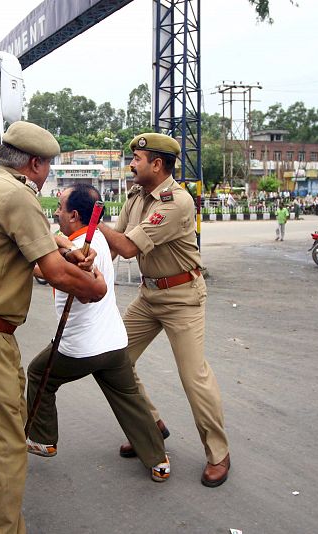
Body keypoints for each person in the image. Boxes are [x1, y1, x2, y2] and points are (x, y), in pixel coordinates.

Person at [0, 121, 106, 533]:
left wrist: (65, 249)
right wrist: (93, 287)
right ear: (35, 164)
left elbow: (41, 241)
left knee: (3, 422)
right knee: (9, 444)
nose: (48, 177)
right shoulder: (17, 195)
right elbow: (55, 274)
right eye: (47, 167)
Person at [98, 133, 231, 488]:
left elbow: (125, 246)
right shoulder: (136, 197)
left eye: (137, 159)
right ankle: (151, 427)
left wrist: (94, 223)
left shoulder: (176, 203)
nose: (131, 164)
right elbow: (113, 247)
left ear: (157, 164)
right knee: (115, 358)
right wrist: (88, 267)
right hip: (149, 295)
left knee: (193, 376)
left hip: (183, 296)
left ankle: (218, 453)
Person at [25, 184, 170, 483]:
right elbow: (60, 239)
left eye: (61, 207)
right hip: (114, 343)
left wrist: (29, 261)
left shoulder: (78, 255)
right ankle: (158, 461)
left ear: (75, 215)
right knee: (130, 400)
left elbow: (44, 270)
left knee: (39, 374)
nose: (56, 211)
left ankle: (43, 439)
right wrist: (60, 242)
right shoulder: (97, 239)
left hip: (79, 348)